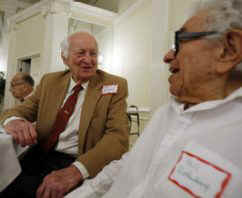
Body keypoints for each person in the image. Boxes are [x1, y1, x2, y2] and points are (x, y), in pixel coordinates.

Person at [66, 0, 242, 197]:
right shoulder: (166, 112)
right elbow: (127, 166)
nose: (167, 56)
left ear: (228, 50)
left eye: (179, 41)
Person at [0, 32, 129, 198]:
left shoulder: (114, 85)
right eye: (81, 53)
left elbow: (118, 138)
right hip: (38, 153)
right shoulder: (50, 81)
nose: (88, 60)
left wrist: (76, 171)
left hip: (77, 160)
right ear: (65, 58)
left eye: (93, 53)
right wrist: (13, 121)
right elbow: (20, 111)